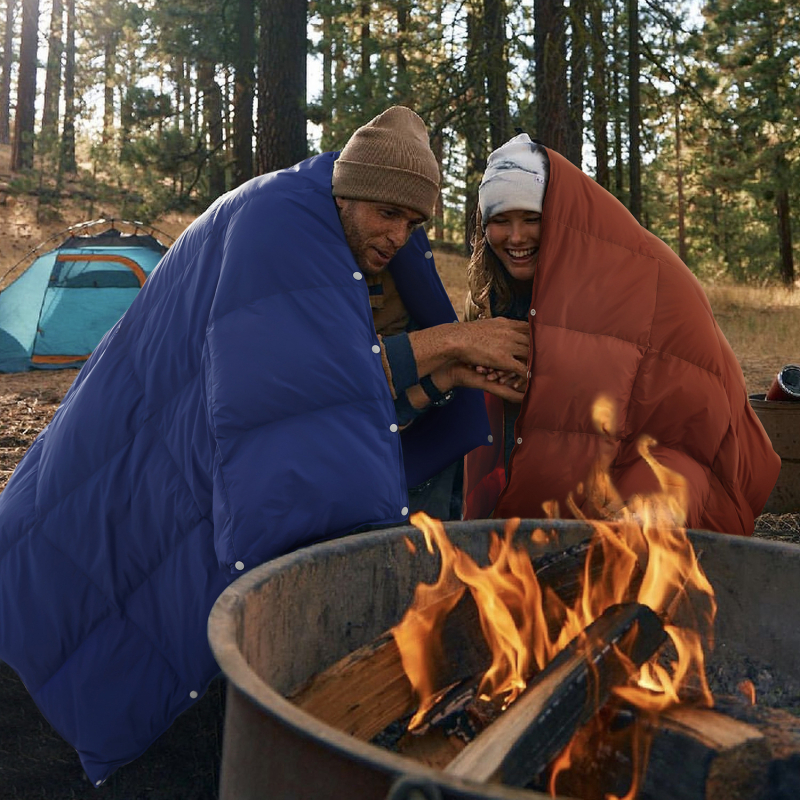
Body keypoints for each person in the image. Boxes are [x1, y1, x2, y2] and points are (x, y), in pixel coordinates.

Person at [0, 107, 527, 786]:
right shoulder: (277, 222)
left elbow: (329, 408)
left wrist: (435, 381)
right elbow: (292, 381)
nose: (398, 235)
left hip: (141, 497)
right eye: (388, 212)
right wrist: (452, 342)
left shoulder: (309, 237)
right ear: (347, 187)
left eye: (414, 223)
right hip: (95, 518)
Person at [462, 132, 781, 535]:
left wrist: (543, 378)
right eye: (500, 221)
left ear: (559, 216)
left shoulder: (637, 275)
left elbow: (691, 409)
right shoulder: (496, 289)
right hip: (547, 461)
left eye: (531, 219)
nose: (516, 237)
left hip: (655, 458)